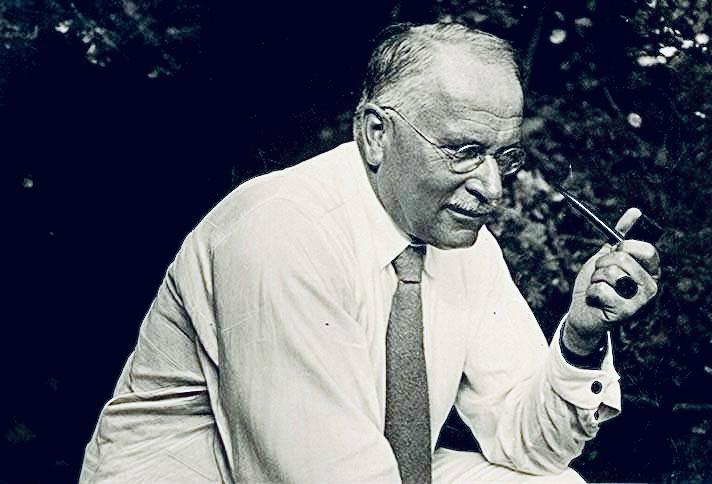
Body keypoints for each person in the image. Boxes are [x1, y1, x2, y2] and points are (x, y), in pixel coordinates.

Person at [80, 22, 660, 483]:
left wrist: (581, 338)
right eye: (463, 152)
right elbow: (321, 475)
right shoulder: (282, 227)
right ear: (377, 133)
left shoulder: (461, 242)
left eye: (504, 157)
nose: (492, 188)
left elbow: (533, 447)